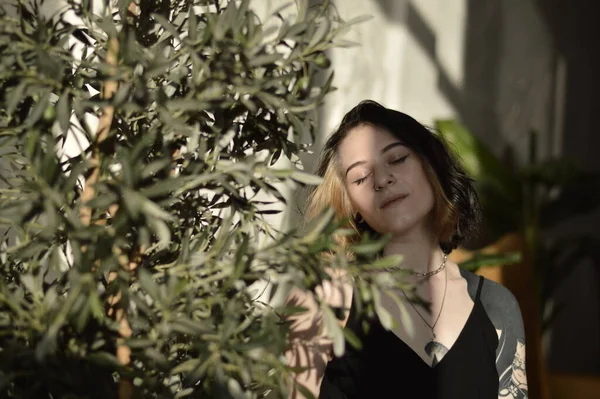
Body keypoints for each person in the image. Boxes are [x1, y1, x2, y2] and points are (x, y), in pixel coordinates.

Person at [284, 100, 529, 398]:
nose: (382, 180)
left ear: (431, 166)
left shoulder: (495, 307)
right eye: (360, 177)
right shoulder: (325, 298)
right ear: (352, 207)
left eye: (397, 159)